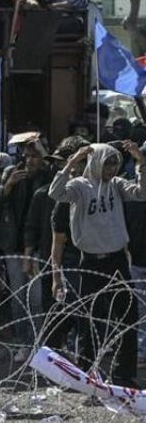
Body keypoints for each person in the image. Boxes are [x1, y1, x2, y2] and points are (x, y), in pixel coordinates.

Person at [47, 141, 146, 386]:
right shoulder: (79, 186)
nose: (111, 169)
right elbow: (55, 193)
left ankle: (124, 375)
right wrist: (72, 161)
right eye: (107, 163)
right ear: (95, 163)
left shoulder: (117, 185)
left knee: (127, 317)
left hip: (116, 260)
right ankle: (87, 374)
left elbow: (142, 193)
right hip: (90, 261)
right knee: (88, 320)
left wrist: (141, 162)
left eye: (115, 163)